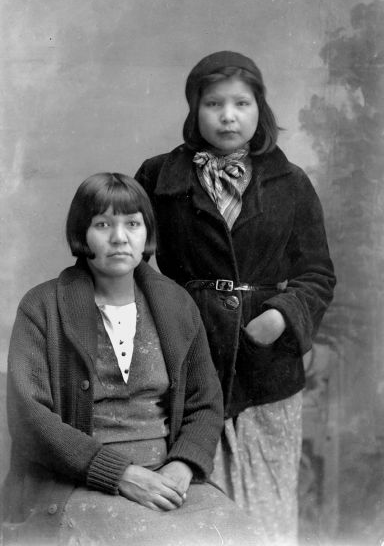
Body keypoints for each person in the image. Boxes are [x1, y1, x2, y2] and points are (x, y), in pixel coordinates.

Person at [135, 51, 337, 545]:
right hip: (186, 352)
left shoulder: (290, 183)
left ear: (259, 109)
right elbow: (130, 264)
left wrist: (283, 316)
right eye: (213, 103)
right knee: (193, 502)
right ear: (194, 110)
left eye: (241, 103)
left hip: (266, 366)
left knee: (265, 508)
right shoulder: (160, 178)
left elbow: (317, 273)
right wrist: (167, 321)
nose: (228, 116)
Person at [1, 173, 265, 546]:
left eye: (132, 223)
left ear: (147, 233)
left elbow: (205, 403)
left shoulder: (176, 304)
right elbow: (31, 420)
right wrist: (119, 474)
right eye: (103, 224)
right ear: (82, 233)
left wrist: (183, 464)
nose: (119, 237)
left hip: (164, 477)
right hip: (75, 481)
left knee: (249, 536)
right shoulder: (42, 306)